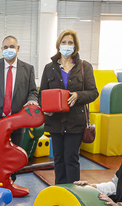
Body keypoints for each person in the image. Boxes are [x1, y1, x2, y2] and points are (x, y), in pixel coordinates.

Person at [39, 29, 98, 184]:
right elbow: (41, 95)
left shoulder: (85, 67)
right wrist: (46, 108)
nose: (66, 45)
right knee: (58, 159)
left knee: (71, 158)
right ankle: (60, 192)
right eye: (64, 42)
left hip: (76, 122)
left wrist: (78, 96)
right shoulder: (49, 68)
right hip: (55, 122)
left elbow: (93, 93)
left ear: (75, 46)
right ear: (58, 45)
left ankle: (73, 195)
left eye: (70, 42)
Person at [0, 35, 39, 179]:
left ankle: (9, 183)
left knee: (13, 154)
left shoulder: (28, 69)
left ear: (18, 48)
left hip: (17, 121)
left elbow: (33, 91)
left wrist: (32, 100)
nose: (8, 50)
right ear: (1, 50)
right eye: (5, 47)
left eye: (12, 47)